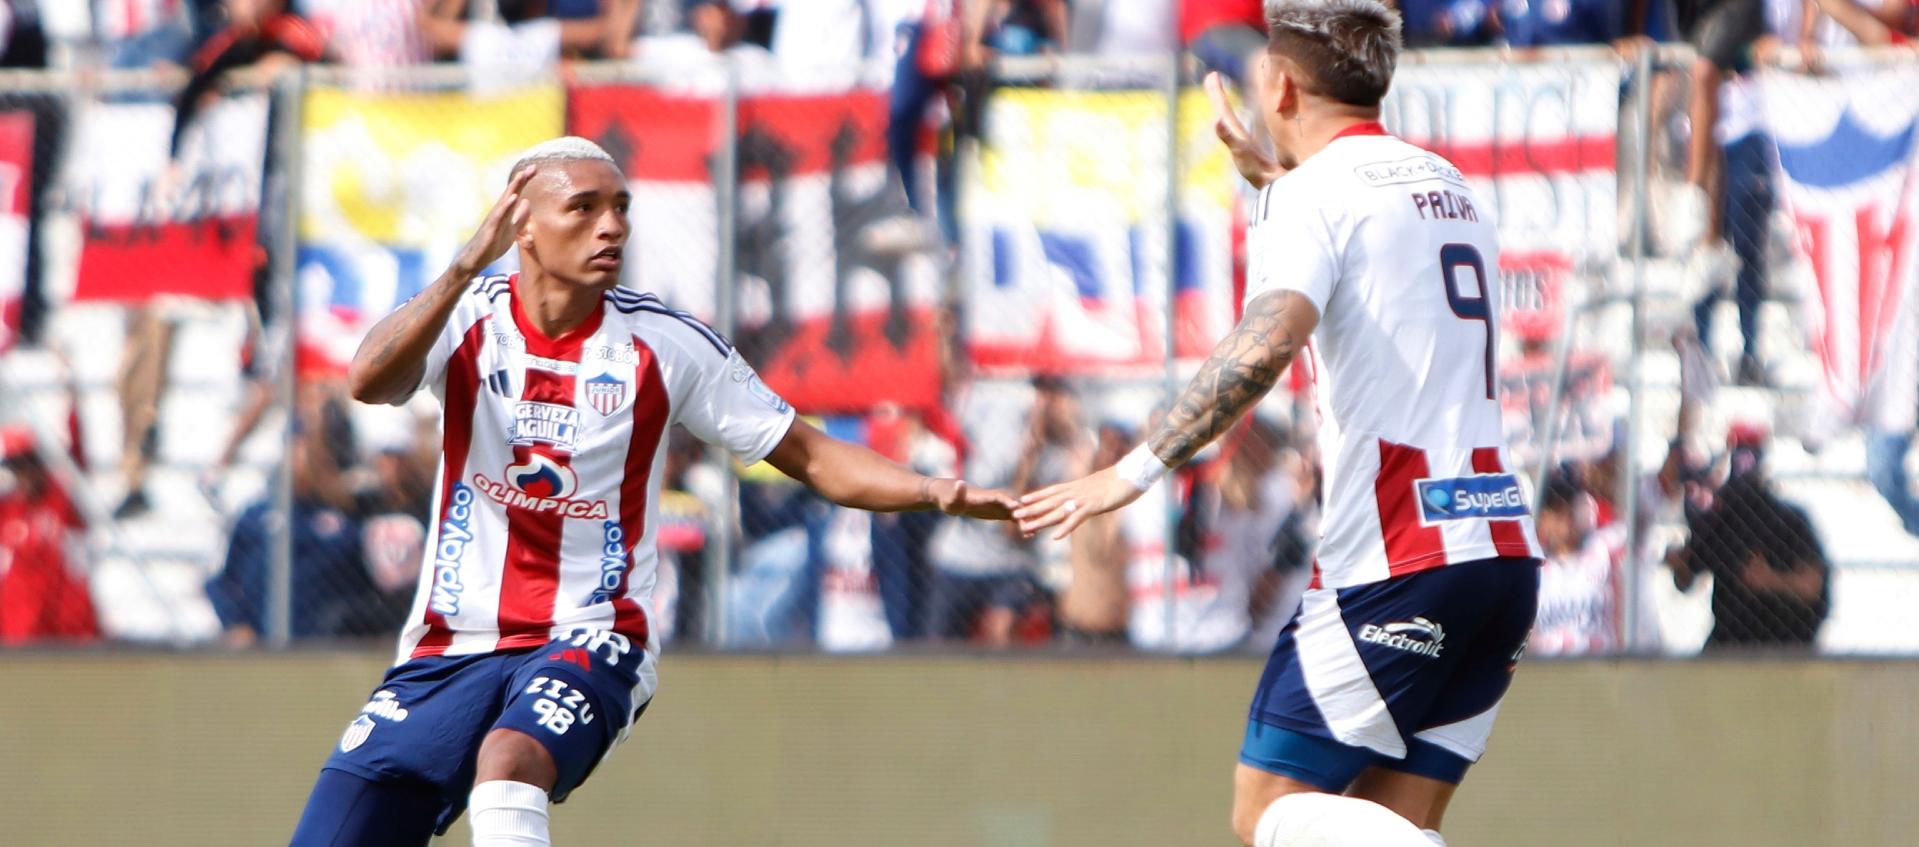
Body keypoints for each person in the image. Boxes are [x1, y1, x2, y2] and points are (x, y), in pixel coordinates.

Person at [289, 136, 1016, 847]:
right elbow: (367, 380)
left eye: (620, 207)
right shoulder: (465, 314)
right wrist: (459, 269)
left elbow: (812, 455)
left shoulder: (664, 343)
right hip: (450, 645)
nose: (612, 226)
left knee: (507, 764)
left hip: (591, 632)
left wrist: (937, 490)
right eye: (583, 207)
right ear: (523, 226)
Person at [1017, 2, 1541, 843]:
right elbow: (1368, 261)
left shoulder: (1311, 199)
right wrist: (1274, 183)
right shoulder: (1445, 184)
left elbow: (1262, 350)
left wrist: (1130, 471)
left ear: (1282, 84)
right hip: (1499, 557)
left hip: (1395, 556)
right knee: (1374, 823)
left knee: (1263, 809)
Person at [1669, 423, 1830, 649]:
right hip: (1730, 643)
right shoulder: (1721, 518)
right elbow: (1685, 578)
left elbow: (1813, 585)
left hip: (1786, 643)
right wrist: (1679, 560)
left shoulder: (1789, 518)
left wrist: (1771, 580)